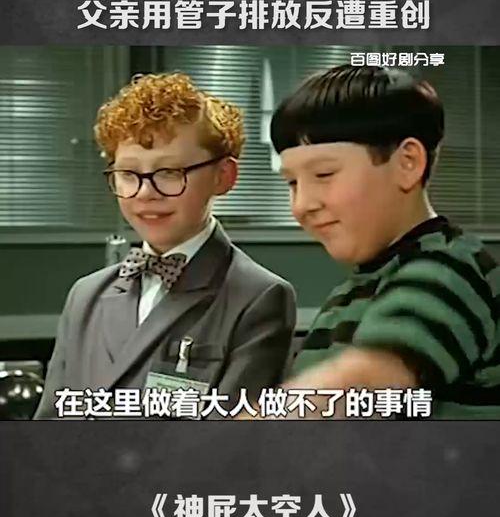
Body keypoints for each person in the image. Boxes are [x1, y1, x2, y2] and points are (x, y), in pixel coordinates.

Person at [35, 72, 296, 419]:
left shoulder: (258, 297)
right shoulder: (86, 296)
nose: (145, 193)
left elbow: (230, 439)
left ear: (224, 176)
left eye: (170, 172)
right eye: (128, 174)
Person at [270, 64, 500, 419]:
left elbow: (362, 382)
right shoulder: (349, 293)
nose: (302, 205)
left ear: (407, 162)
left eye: (324, 174)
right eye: (292, 183)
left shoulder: (449, 268)